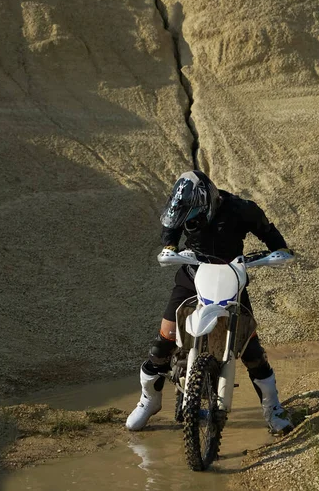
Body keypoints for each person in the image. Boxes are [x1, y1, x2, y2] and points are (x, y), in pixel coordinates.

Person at [126, 170, 294, 434]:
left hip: (232, 280)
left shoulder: (242, 209)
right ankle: (149, 401)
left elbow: (269, 232)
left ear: (208, 200)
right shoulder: (182, 206)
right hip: (192, 276)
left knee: (251, 351)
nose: (189, 219)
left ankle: (272, 409)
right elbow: (169, 230)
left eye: (193, 214)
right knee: (163, 343)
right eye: (185, 215)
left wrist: (280, 250)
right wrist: (169, 248)